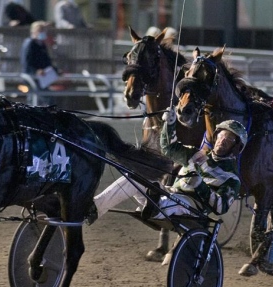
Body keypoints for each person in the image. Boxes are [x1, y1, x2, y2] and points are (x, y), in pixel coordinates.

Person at [88, 109, 244, 224]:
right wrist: (169, 125)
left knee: (172, 201)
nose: (222, 140)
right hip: (168, 194)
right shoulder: (196, 155)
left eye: (229, 139)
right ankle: (94, 208)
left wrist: (200, 185)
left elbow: (221, 207)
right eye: (221, 135)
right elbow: (169, 149)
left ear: (236, 147)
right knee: (134, 177)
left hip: (191, 209)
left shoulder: (232, 179)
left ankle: (156, 205)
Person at [20, 21, 60, 104]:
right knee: (38, 98)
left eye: (43, 30)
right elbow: (26, 62)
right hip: (33, 77)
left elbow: (46, 61)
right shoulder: (30, 43)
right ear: (34, 31)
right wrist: (36, 71)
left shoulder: (41, 44)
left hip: (42, 78)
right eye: (40, 30)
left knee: (42, 99)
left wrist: (55, 70)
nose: (42, 32)